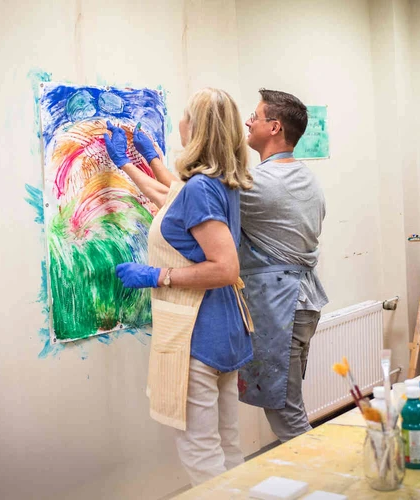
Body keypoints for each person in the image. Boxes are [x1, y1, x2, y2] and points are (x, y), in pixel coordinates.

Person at [105, 88, 254, 486]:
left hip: (199, 333)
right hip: (223, 330)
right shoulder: (218, 181)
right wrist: (131, 163)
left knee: (202, 455)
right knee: (228, 444)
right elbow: (171, 200)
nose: (179, 123)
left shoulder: (201, 188)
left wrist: (158, 276)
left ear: (197, 128)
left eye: (185, 116)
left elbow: (225, 268)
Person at [237, 89, 328, 443]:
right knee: (289, 408)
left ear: (274, 127)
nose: (248, 122)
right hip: (302, 303)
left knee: (288, 417)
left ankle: (324, 475)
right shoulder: (305, 176)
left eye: (254, 116)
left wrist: (140, 163)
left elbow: (186, 200)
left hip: (283, 306)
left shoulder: (260, 183)